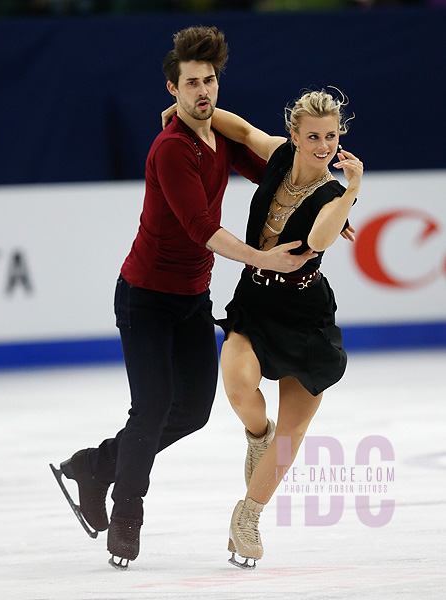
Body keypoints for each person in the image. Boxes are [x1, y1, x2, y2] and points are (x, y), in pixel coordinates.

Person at [50, 26, 317, 570]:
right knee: (151, 406)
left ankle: (94, 463)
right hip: (145, 298)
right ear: (172, 89)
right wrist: (264, 259)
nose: (202, 91)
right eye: (191, 82)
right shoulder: (171, 148)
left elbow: (272, 176)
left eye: (210, 80)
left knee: (192, 411)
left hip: (192, 299)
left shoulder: (219, 135)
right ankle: (127, 512)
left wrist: (331, 204)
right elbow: (202, 228)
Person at [205, 89, 362, 568]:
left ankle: (248, 517)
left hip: (305, 312)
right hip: (255, 299)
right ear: (293, 135)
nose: (322, 146)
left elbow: (315, 240)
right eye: (312, 135)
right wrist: (193, 112)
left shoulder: (335, 195)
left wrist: (352, 187)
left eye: (331, 137)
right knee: (237, 382)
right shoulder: (277, 158)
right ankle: (257, 434)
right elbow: (243, 132)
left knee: (292, 432)